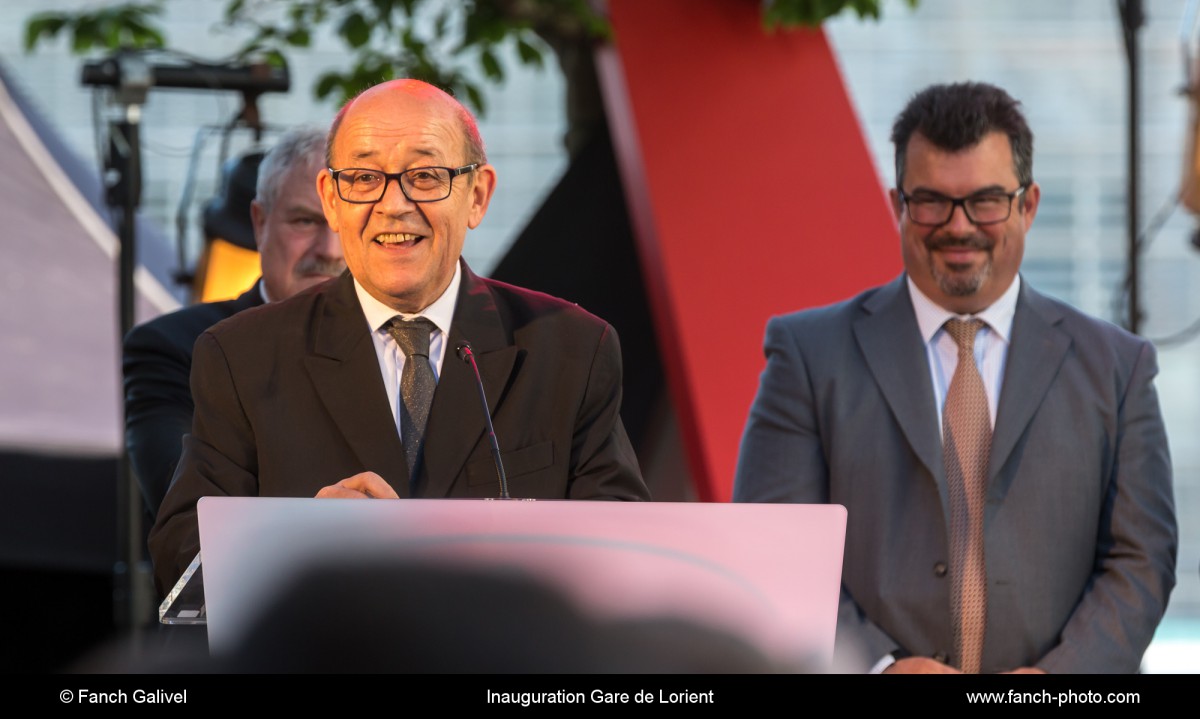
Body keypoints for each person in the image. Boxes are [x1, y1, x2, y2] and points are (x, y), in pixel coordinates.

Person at [733, 82, 1177, 674]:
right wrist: (880, 667)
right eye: (932, 201)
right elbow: (773, 549)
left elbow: (1142, 560)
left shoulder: (1118, 368)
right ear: (898, 204)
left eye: (986, 200)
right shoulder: (808, 357)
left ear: (1030, 204)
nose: (958, 226)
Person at [148, 79, 649, 596]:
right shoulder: (242, 355)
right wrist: (293, 538)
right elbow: (180, 556)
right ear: (333, 199)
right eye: (364, 178)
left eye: (425, 176)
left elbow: (627, 554)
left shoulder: (569, 350)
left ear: (476, 196)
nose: (393, 204)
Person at [123, 127, 344, 520]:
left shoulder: (410, 347)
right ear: (260, 223)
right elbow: (195, 512)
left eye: (344, 226)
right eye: (305, 221)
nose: (329, 250)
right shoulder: (173, 347)